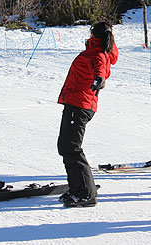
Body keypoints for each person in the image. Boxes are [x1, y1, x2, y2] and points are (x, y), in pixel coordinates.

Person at [57, 22, 118, 208]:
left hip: (79, 104)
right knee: (65, 145)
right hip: (77, 103)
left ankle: (86, 193)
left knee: (71, 147)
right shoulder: (99, 51)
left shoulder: (97, 53)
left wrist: (99, 79)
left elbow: (99, 68)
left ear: (94, 34)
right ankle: (77, 187)